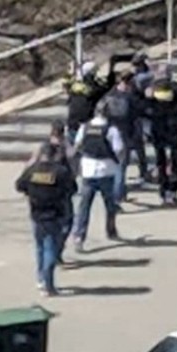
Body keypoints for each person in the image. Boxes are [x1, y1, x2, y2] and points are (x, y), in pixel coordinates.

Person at [16, 143, 78, 296]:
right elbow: (73, 189)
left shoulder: (32, 170)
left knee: (40, 247)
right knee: (50, 249)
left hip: (37, 214)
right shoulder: (60, 171)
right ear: (54, 155)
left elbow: (19, 186)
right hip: (54, 215)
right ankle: (48, 285)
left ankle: (40, 279)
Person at [72, 107, 124, 251]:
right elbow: (119, 150)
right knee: (110, 204)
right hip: (106, 170)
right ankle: (111, 230)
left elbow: (77, 146)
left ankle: (79, 236)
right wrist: (117, 163)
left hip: (88, 170)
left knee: (84, 206)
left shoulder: (85, 127)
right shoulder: (111, 129)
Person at [29, 120, 75, 265]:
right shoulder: (64, 147)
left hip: (44, 190)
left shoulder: (42, 146)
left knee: (52, 226)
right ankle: (57, 250)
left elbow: (30, 164)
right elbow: (73, 158)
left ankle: (55, 251)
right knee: (67, 221)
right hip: (62, 190)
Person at [146, 64, 177, 205]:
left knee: (161, 160)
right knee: (176, 159)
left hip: (157, 127)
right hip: (173, 127)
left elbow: (144, 107)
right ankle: (173, 190)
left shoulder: (151, 90)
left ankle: (163, 191)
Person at [102, 74, 137, 204]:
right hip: (124, 134)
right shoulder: (129, 98)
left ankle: (120, 194)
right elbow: (134, 118)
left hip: (109, 133)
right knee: (121, 168)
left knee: (114, 166)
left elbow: (101, 112)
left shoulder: (108, 96)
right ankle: (117, 198)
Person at [63, 60, 115, 146]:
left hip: (71, 124)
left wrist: (70, 71)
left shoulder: (74, 87)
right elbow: (108, 87)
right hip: (84, 126)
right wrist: (112, 70)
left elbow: (66, 84)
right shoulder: (94, 89)